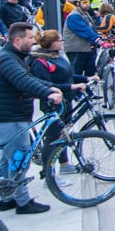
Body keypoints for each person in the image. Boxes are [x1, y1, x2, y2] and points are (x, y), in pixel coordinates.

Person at [0, 23, 65, 214]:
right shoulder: (8, 59)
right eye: (30, 38)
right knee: (19, 160)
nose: (34, 41)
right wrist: (48, 93)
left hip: (9, 118)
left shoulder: (14, 57)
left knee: (7, 161)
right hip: (10, 120)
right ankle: (23, 202)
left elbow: (28, 78)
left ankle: (7, 198)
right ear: (17, 40)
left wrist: (50, 87)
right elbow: (23, 82)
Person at [27, 30, 93, 176]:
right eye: (60, 40)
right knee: (52, 139)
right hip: (53, 104)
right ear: (52, 43)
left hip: (65, 100)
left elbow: (67, 75)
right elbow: (47, 85)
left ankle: (64, 164)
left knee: (63, 135)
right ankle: (47, 173)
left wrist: (86, 79)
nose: (62, 43)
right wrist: (72, 86)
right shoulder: (40, 63)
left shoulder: (57, 56)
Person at [63, 0, 104, 76]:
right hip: (76, 49)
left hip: (86, 48)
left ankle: (88, 88)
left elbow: (91, 28)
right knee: (77, 73)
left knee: (91, 72)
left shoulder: (85, 14)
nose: (87, 4)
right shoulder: (74, 16)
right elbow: (85, 30)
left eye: (89, 2)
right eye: (84, 2)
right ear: (77, 4)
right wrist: (98, 40)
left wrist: (99, 35)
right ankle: (76, 89)